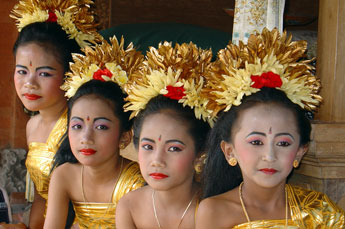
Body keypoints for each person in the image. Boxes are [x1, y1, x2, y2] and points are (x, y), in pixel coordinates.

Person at [196, 28, 345, 228]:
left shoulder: (321, 211)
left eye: (283, 143)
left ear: (300, 152)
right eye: (256, 142)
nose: (270, 155)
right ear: (229, 151)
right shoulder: (214, 211)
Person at [11, 0, 101, 227]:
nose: (29, 83)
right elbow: (42, 197)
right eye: (22, 71)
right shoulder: (33, 124)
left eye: (44, 74)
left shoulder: (83, 128)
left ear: (69, 74)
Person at [44, 37, 146, 228]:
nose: (86, 138)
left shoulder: (137, 181)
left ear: (124, 137)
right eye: (77, 126)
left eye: (101, 127)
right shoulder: (64, 176)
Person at [115, 42, 212, 228]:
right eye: (148, 147)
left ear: (200, 154)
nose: (157, 160)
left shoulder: (212, 209)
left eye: (174, 148)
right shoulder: (129, 206)